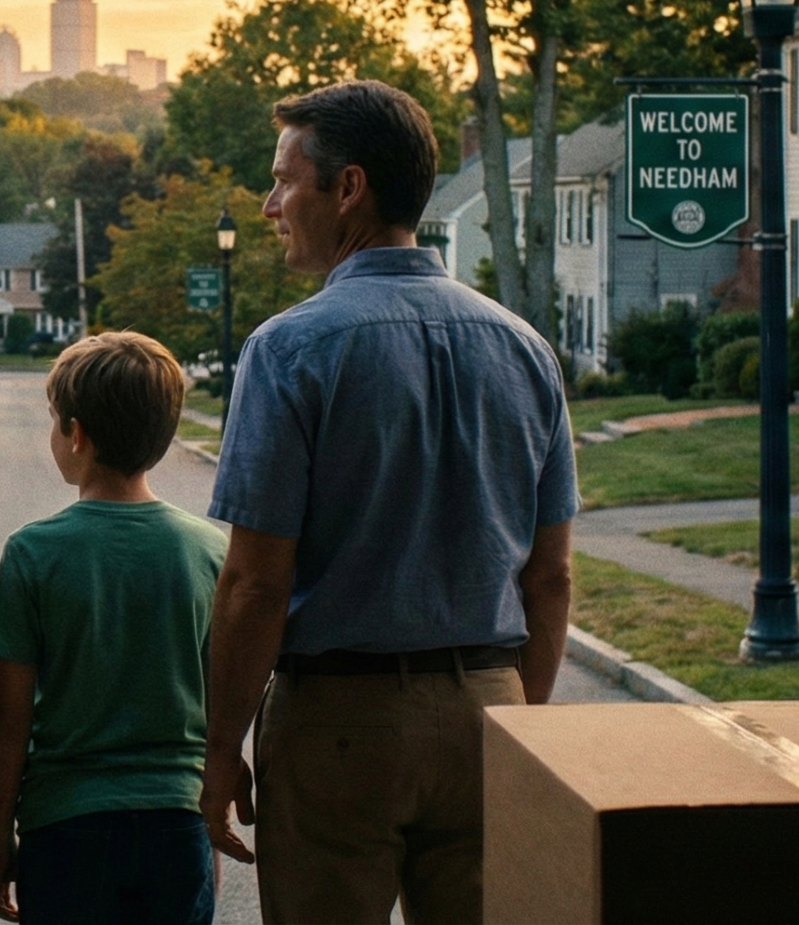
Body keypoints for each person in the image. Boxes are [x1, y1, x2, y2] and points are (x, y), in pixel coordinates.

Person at [200, 81, 577, 925]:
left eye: (283, 180)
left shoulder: (289, 349)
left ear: (348, 187)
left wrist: (221, 745)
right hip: (489, 704)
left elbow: (256, 584)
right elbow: (549, 577)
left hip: (340, 722)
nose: (269, 205)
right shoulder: (525, 349)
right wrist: (524, 727)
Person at [0, 332, 228, 925]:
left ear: (76, 434)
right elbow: (220, 702)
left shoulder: (34, 553)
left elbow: (10, 715)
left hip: (66, 825)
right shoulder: (210, 550)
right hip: (177, 817)